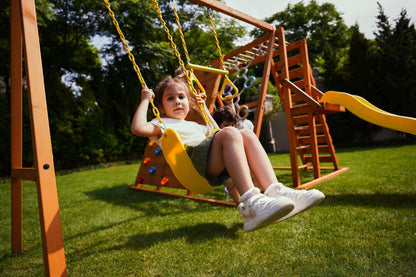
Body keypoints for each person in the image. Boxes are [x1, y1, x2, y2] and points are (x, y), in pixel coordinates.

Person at [131, 75, 325, 232]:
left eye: (182, 97)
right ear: (161, 106)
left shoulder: (193, 124)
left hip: (209, 159)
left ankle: (276, 190)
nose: (177, 101)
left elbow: (217, 133)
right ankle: (252, 202)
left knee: (246, 134)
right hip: (194, 164)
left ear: (188, 102)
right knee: (231, 132)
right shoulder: (161, 123)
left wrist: (204, 110)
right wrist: (145, 100)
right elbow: (138, 128)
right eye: (170, 98)